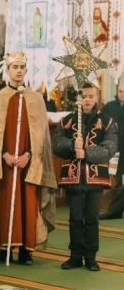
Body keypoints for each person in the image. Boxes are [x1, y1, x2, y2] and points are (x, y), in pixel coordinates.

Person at [0, 52, 57, 265]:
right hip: (4, 163)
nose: (19, 71)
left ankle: (25, 250)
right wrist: (4, 154)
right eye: (15, 67)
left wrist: (28, 154)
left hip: (28, 163)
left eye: (22, 67)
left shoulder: (36, 99)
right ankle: (3, 248)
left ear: (26, 70)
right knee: (4, 203)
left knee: (28, 204)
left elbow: (42, 135)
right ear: (8, 71)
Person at [53, 83, 117, 271]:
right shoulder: (67, 121)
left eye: (91, 96)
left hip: (95, 179)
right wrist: (72, 144)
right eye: (84, 96)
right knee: (75, 218)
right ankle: (75, 256)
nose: (87, 100)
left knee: (91, 219)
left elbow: (109, 148)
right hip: (73, 177)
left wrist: (86, 153)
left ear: (97, 97)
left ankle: (90, 257)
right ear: (78, 98)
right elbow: (57, 144)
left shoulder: (107, 122)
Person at [99, 83, 124, 220]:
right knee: (117, 181)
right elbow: (102, 123)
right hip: (115, 149)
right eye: (120, 91)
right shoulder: (109, 106)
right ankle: (115, 211)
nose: (122, 94)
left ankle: (115, 210)